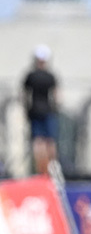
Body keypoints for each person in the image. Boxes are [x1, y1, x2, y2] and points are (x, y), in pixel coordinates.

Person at [23, 45, 59, 176]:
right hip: (48, 111)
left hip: (35, 111)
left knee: (38, 142)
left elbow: (25, 95)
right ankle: (51, 169)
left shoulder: (31, 76)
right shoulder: (50, 76)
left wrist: (26, 111)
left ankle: (41, 170)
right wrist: (56, 109)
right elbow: (56, 96)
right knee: (50, 141)